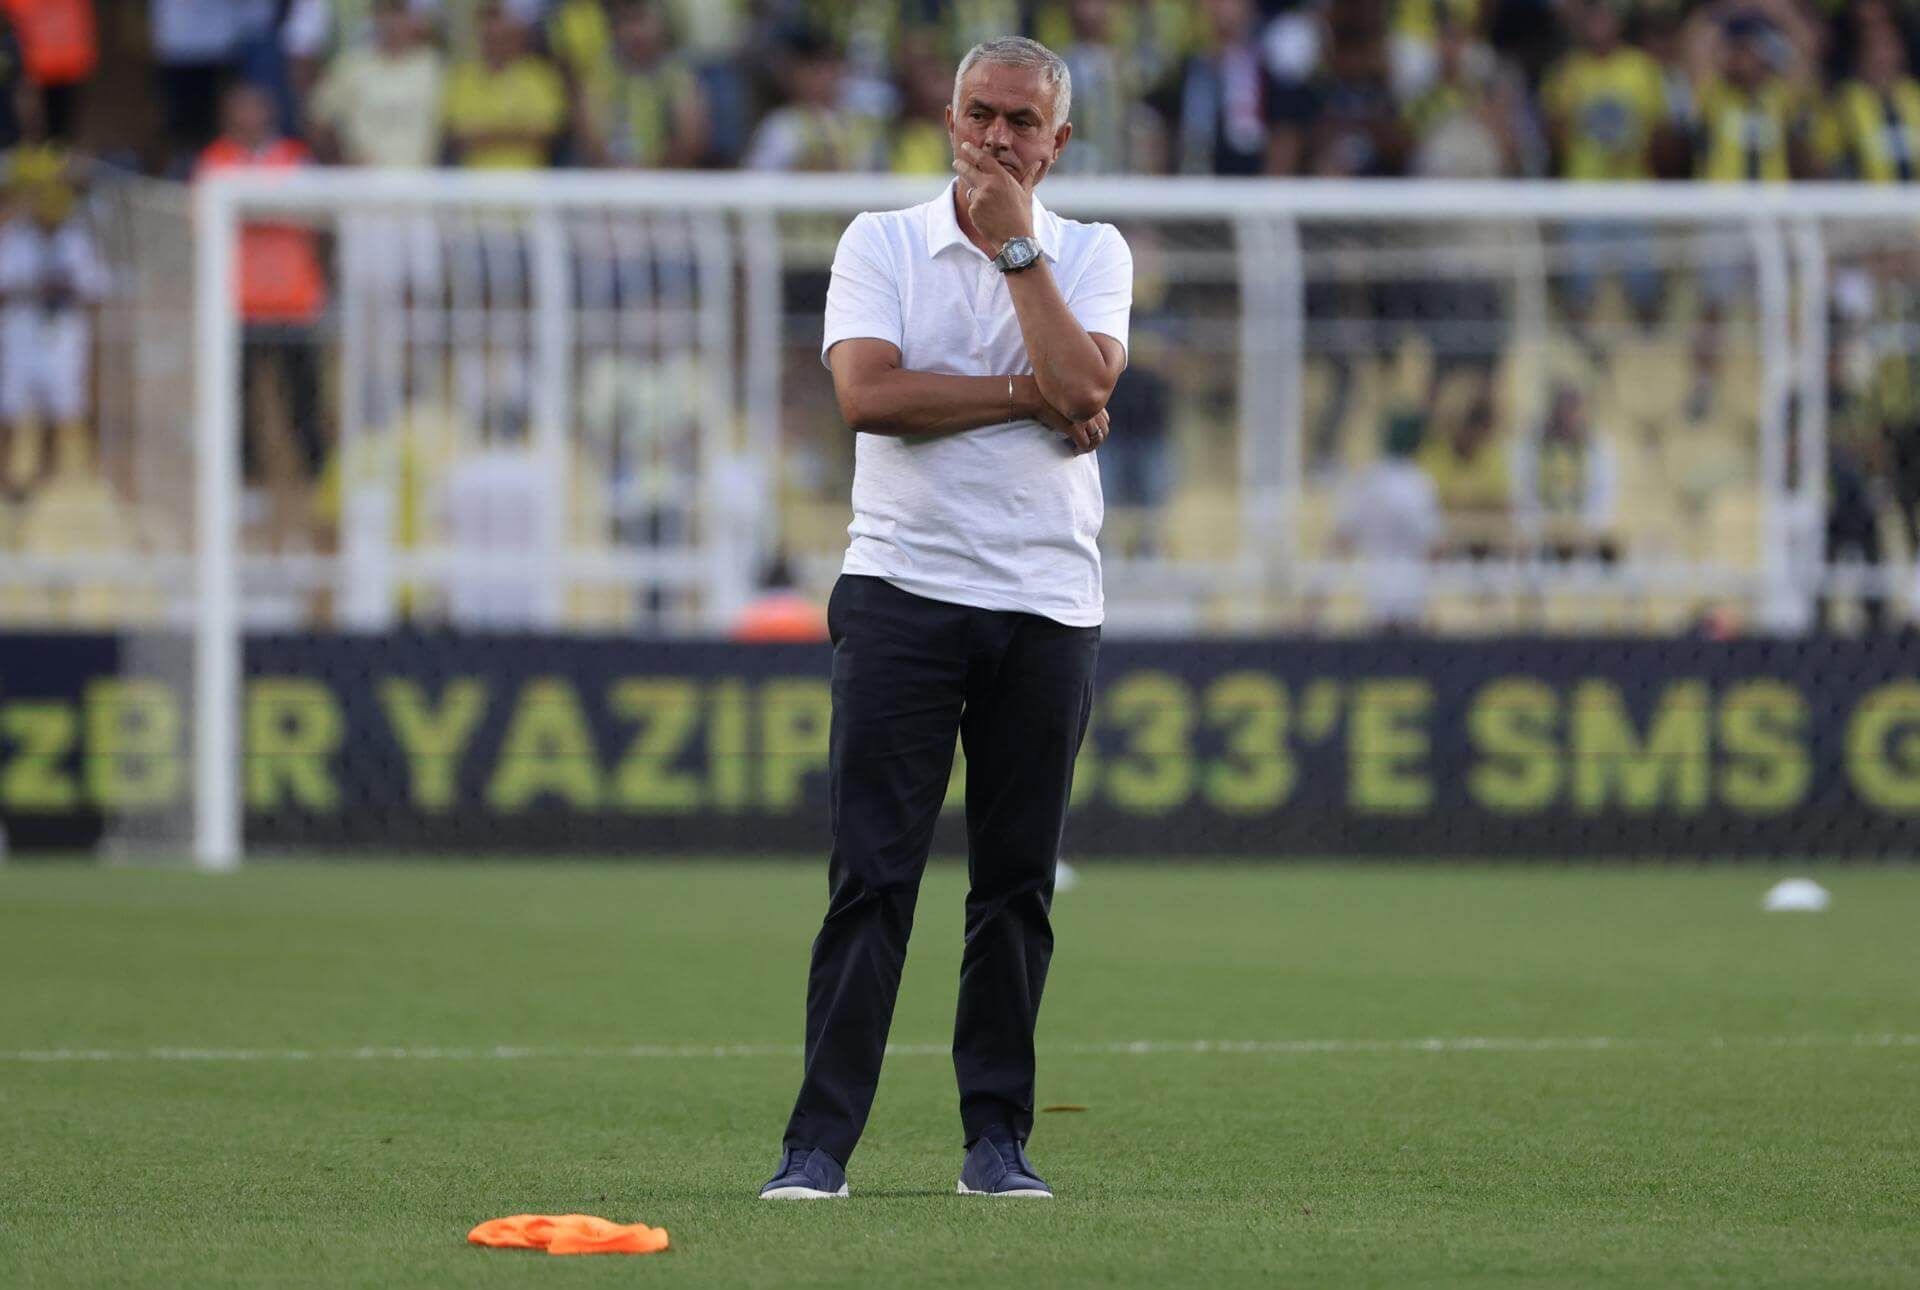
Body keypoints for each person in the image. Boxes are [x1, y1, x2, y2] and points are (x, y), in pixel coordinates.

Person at [760, 36, 1129, 1203]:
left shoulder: (1089, 251)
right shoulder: (880, 240)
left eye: (1023, 122)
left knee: (1015, 887)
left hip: (1047, 603)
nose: (996, 137)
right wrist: (1032, 393)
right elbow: (871, 398)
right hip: (904, 594)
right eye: (981, 113)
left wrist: (1018, 246)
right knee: (873, 876)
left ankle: (994, 1145)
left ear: (1056, 143)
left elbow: (1092, 384)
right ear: (949, 118)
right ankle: (818, 1148)